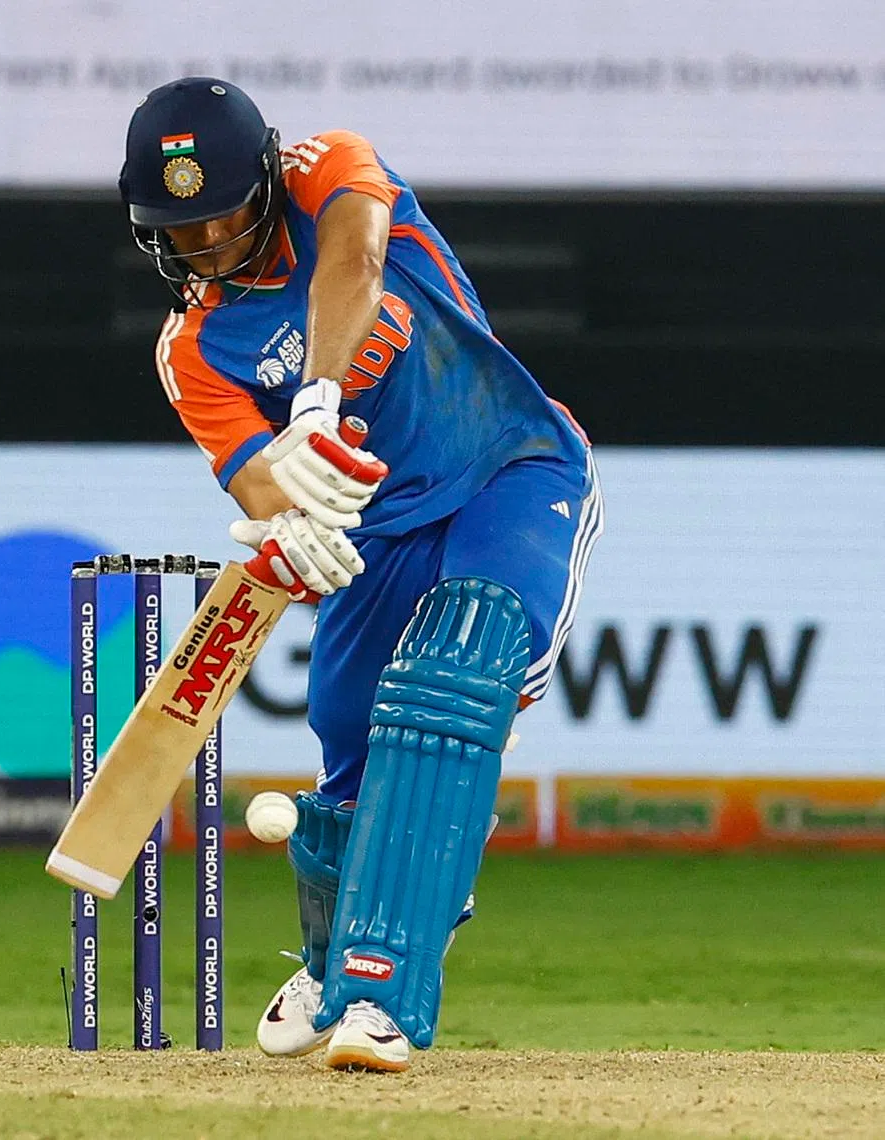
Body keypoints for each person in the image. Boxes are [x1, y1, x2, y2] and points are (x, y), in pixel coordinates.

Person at [119, 77, 603, 1072]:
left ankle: (385, 987)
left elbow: (358, 260)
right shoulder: (193, 349)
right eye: (185, 233)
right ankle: (332, 956)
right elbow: (257, 484)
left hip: (507, 467)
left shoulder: (330, 169)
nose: (208, 249)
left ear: (264, 181)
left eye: (223, 221)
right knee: (346, 734)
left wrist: (316, 400)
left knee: (456, 675)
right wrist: (286, 530)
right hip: (375, 533)